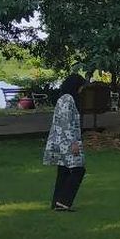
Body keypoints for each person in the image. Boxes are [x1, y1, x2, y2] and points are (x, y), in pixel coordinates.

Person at [43, 74, 88, 210]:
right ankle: (64, 201)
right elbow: (66, 122)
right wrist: (73, 142)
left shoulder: (62, 99)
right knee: (78, 170)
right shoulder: (68, 99)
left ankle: (57, 201)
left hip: (60, 140)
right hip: (66, 141)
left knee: (63, 171)